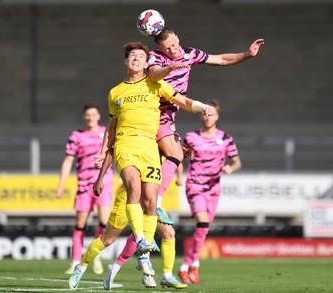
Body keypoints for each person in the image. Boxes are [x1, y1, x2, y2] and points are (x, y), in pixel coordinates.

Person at [107, 27, 263, 287]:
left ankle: (143, 264)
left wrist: (247, 55)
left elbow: (221, 59)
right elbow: (153, 73)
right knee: (176, 155)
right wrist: (171, 66)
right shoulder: (156, 57)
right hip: (155, 111)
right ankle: (154, 202)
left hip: (172, 114)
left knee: (164, 227)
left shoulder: (190, 53)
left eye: (173, 45)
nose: (172, 51)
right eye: (167, 49)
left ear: (178, 38)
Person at [68, 41, 212, 290]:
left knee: (150, 199)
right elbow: (111, 132)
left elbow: (183, 101)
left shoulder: (155, 85)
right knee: (133, 187)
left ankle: (153, 266)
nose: (135, 58)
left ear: (147, 63)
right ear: (125, 62)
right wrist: (102, 168)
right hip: (126, 144)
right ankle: (88, 264)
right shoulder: (115, 93)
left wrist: (202, 107)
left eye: (140, 56)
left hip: (148, 146)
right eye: (131, 56)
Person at [178, 99, 242, 284]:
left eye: (210, 114)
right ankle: (195, 265)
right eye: (204, 113)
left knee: (203, 229)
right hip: (195, 186)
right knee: (203, 223)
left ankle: (185, 265)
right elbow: (179, 156)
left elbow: (237, 162)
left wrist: (231, 168)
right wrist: (179, 175)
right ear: (200, 115)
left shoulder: (226, 138)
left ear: (217, 117)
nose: (207, 116)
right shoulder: (191, 137)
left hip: (213, 189)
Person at [56, 104, 113, 275]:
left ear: (98, 116)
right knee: (80, 224)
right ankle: (75, 261)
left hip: (104, 182)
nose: (90, 117)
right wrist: (60, 185)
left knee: (104, 221)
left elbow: (114, 153)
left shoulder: (107, 132)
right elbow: (68, 161)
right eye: (87, 115)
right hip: (84, 184)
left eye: (93, 114)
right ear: (84, 117)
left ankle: (94, 253)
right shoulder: (76, 136)